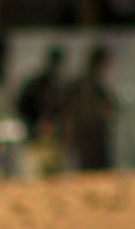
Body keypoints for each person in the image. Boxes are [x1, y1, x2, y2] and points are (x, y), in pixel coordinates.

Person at [14, 45, 68, 180]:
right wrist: (35, 124)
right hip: (36, 143)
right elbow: (22, 107)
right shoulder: (37, 86)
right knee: (36, 179)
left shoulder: (58, 87)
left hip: (53, 141)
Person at [63, 43, 119, 173]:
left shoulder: (85, 80)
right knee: (93, 166)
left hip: (89, 129)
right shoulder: (88, 81)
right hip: (90, 130)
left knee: (91, 166)